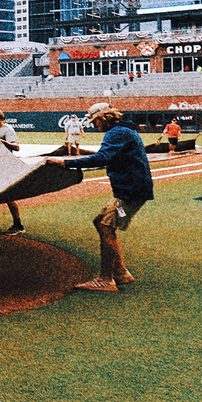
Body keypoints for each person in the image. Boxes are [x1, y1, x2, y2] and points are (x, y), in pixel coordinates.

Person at [46, 102, 154, 291]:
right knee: (100, 222)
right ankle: (120, 272)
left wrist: (64, 162)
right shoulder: (123, 130)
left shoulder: (117, 133)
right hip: (131, 188)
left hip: (130, 191)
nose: (95, 125)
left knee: (106, 227)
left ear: (104, 118)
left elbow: (101, 158)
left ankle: (106, 279)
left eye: (95, 121)